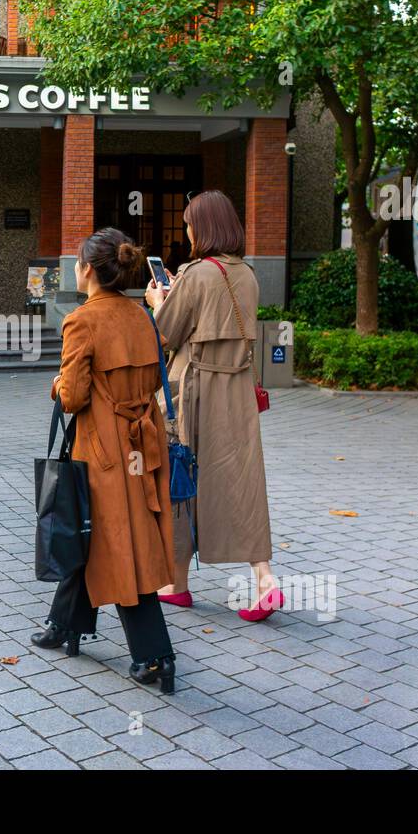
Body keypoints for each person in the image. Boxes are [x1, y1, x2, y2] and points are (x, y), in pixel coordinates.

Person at [31, 227, 178, 694]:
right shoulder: (141, 316)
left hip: (103, 450)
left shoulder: (82, 320)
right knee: (91, 531)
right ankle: (64, 624)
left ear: (89, 269)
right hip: (142, 443)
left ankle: (155, 656)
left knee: (121, 543)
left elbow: (72, 397)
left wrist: (55, 385)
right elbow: (156, 377)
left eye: (77, 261)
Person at [144, 191, 279, 621]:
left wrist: (157, 302)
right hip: (236, 390)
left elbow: (165, 335)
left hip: (195, 390)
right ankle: (264, 578)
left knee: (181, 478)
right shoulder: (248, 274)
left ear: (201, 229)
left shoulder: (197, 274)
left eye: (188, 224)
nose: (185, 231)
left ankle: (176, 583)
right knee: (241, 480)